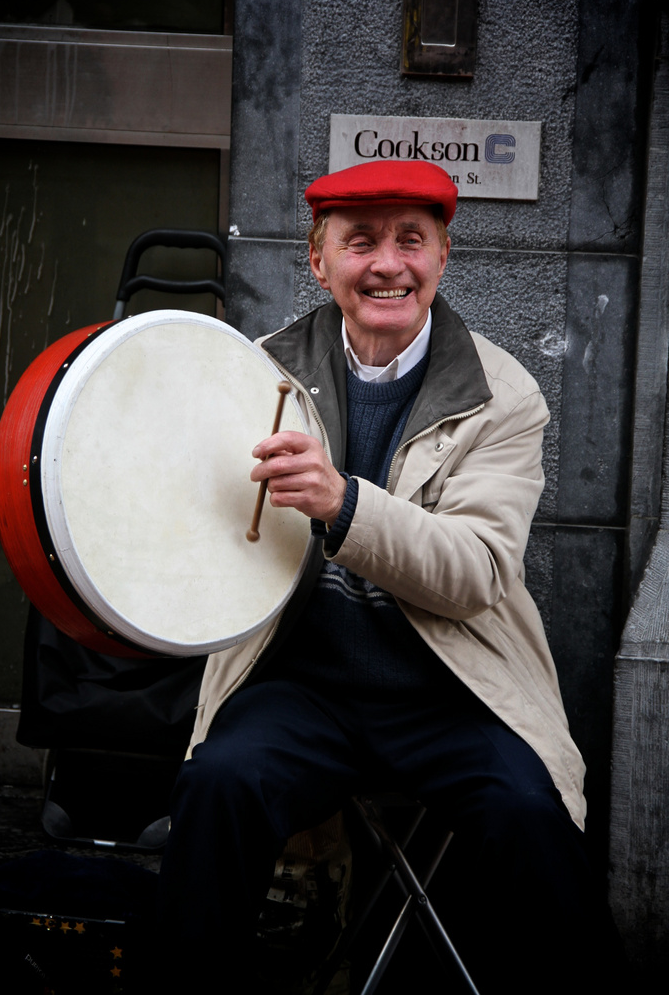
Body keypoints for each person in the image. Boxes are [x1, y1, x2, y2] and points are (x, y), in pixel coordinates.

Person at [158, 161, 601, 993]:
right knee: (217, 782)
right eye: (360, 242)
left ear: (443, 257)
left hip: (451, 687)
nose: (388, 263)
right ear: (319, 263)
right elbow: (203, 532)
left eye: (411, 240)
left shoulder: (504, 397)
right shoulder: (257, 375)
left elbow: (475, 573)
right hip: (302, 686)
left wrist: (342, 504)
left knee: (534, 818)